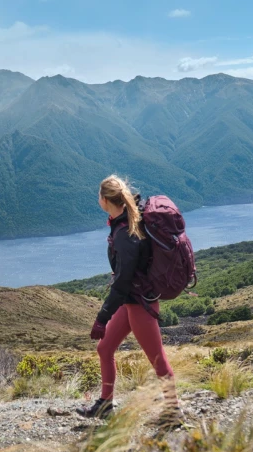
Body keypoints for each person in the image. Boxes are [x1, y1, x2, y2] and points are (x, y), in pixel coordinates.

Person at [76, 175, 182, 425]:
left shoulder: (126, 232)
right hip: (131, 302)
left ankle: (175, 412)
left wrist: (102, 317)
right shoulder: (127, 219)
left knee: (158, 359)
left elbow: (122, 282)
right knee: (104, 348)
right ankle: (105, 405)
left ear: (104, 200)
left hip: (140, 305)